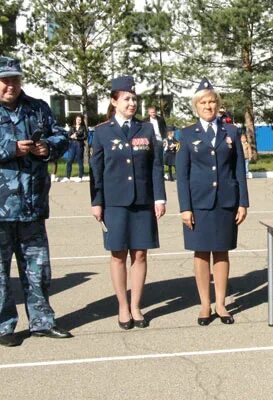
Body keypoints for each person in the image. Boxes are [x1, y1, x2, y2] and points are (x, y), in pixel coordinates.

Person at [0, 56, 72, 347]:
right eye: (4, 80)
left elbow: (61, 136)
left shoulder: (37, 108)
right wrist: (10, 148)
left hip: (31, 205)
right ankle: (4, 325)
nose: (11, 86)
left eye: (15, 80)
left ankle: (42, 322)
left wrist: (47, 148)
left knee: (38, 268)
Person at [89, 76, 166, 330]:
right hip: (115, 203)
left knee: (141, 254)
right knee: (118, 255)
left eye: (134, 99)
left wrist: (159, 197)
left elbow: (156, 165)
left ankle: (136, 305)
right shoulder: (102, 132)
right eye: (126, 99)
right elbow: (96, 170)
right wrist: (97, 201)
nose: (132, 103)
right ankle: (122, 306)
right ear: (114, 101)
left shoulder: (146, 129)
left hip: (143, 201)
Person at [176, 78, 249, 326]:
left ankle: (221, 303)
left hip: (226, 201)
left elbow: (239, 169)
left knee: (221, 251)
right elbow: (182, 175)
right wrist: (185, 207)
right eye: (203, 102)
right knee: (201, 253)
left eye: (212, 101)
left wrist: (243, 202)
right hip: (199, 203)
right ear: (196, 106)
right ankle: (205, 304)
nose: (208, 106)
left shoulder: (231, 132)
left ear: (218, 104)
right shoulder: (186, 134)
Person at [63, 114, 87, 182]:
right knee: (69, 160)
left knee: (80, 161)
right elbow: (68, 135)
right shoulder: (72, 127)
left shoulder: (83, 128)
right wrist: (71, 136)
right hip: (72, 145)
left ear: (81, 121)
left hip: (79, 145)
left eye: (80, 120)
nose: (78, 121)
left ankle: (80, 177)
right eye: (77, 120)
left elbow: (85, 137)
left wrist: (77, 138)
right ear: (75, 120)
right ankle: (67, 177)